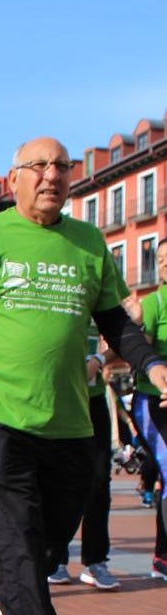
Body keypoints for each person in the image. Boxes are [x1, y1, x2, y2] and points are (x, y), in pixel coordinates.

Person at [0, 136, 167, 615]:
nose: (51, 175)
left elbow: (116, 324)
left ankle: (6, 585)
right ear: (13, 178)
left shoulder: (88, 243)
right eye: (38, 166)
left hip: (70, 419)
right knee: (16, 528)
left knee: (55, 529)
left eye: (61, 167)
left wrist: (154, 364)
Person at [48, 347, 119, 590]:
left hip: (93, 397)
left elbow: (120, 339)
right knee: (57, 479)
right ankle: (55, 557)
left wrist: (99, 359)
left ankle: (96, 561)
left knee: (100, 480)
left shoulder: (102, 307)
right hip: (58, 394)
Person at [134, 237, 167, 580]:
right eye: (159, 259)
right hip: (153, 400)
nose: (164, 264)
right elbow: (140, 350)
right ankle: (164, 558)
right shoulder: (154, 302)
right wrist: (137, 324)